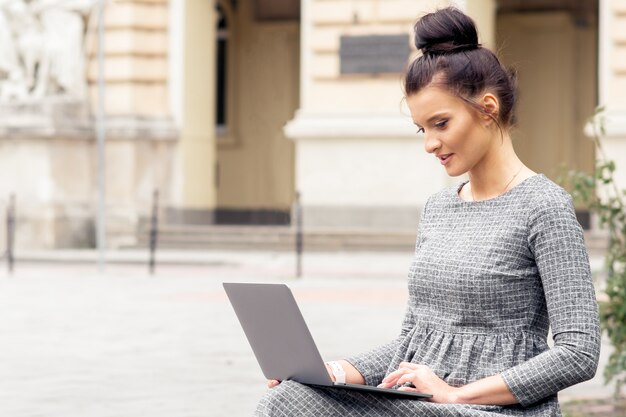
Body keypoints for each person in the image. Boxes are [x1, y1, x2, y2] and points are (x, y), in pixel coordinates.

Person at [255, 7, 601, 417]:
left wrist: (457, 394)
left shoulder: (545, 207)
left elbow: (578, 352)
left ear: (488, 108)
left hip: (490, 409)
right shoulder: (439, 208)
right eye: (423, 129)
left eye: (441, 123)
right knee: (289, 400)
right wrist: (332, 371)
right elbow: (412, 339)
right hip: (420, 402)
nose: (430, 144)